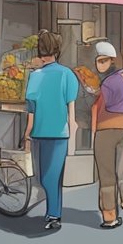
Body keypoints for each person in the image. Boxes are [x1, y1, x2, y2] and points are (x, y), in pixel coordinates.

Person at [24, 30, 78, 231]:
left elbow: (31, 108)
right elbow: (70, 104)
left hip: (43, 132)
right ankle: (53, 213)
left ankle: (54, 214)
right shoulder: (67, 74)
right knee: (52, 176)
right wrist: (72, 125)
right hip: (58, 133)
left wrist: (27, 132)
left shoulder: (36, 76)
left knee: (46, 177)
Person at [91, 41, 123, 229]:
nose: (100, 65)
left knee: (107, 176)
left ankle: (110, 217)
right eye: (98, 61)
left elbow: (98, 108)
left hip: (105, 130)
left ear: (111, 60)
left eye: (103, 61)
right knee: (121, 170)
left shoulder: (105, 85)